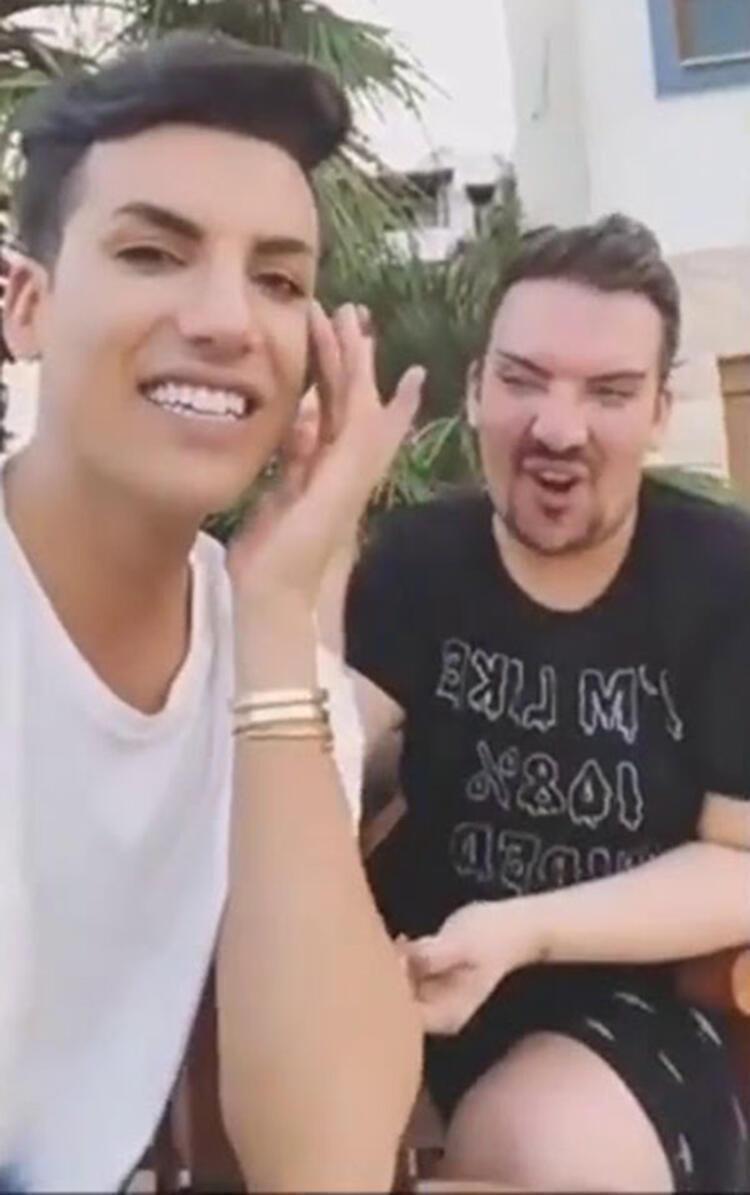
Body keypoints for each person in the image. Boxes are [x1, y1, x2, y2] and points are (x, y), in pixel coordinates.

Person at [0, 32, 423, 1192]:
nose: (230, 321)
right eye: (153, 252)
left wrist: (280, 610)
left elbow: (328, 1163)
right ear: (25, 303)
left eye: (280, 280)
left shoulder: (277, 680)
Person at [347, 215, 750, 1193]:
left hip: (640, 1002)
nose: (558, 428)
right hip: (411, 980)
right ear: (475, 389)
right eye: (523, 379)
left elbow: (739, 862)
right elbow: (314, 749)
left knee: (533, 1152)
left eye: (608, 392)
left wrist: (523, 928)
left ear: (659, 411)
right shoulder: (416, 561)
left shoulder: (722, 578)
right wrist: (316, 526)